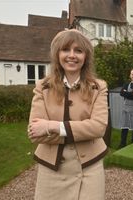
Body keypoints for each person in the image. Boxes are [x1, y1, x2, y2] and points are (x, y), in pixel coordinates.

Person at [27, 29, 108, 200]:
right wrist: (83, 131)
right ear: (57, 54)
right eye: (66, 50)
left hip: (89, 167)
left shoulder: (98, 87)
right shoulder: (43, 87)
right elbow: (35, 134)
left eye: (78, 50)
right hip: (52, 169)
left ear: (86, 56)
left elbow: (99, 128)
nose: (72, 55)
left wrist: (52, 126)